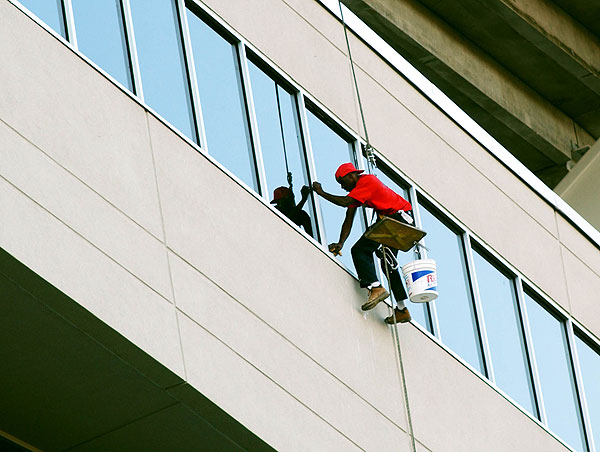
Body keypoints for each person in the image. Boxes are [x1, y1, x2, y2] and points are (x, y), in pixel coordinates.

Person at [312, 162, 412, 324]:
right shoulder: (359, 191)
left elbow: (344, 202)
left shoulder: (368, 181)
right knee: (386, 263)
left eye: (342, 183)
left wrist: (321, 192)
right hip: (398, 222)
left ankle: (376, 287)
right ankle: (402, 309)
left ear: (351, 176)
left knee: (360, 250)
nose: (343, 188)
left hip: (398, 218)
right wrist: (341, 242)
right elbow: (349, 217)